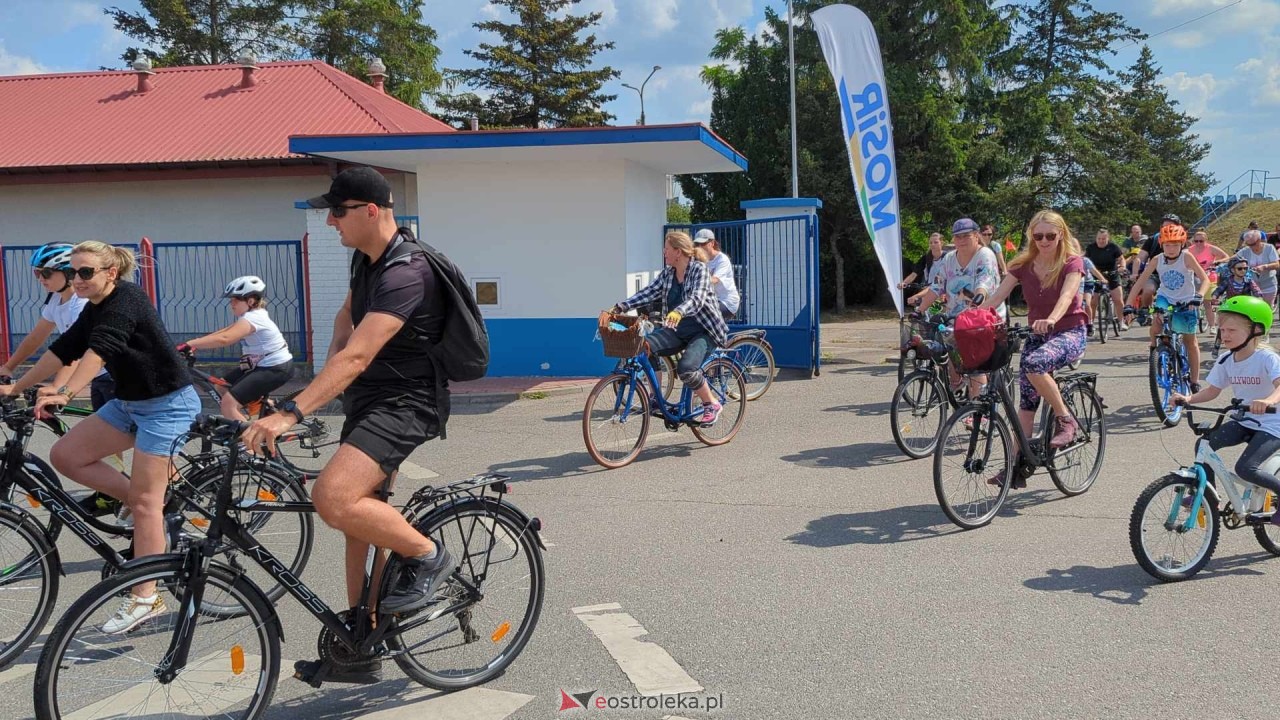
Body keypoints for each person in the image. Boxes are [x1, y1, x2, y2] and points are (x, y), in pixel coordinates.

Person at [241, 167, 455, 682]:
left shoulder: (407, 271)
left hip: (409, 402)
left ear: (371, 211)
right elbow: (346, 325)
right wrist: (321, 385)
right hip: (371, 400)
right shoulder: (367, 260)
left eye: (338, 211)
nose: (332, 221)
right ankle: (361, 640)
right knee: (360, 520)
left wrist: (293, 411)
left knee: (334, 498)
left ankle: (428, 555)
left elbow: (360, 354)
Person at [0, 241, 201, 634]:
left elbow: (98, 352)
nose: (77, 279)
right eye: (74, 273)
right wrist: (17, 386)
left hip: (167, 406)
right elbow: (63, 349)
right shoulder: (93, 307)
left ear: (111, 272)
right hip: (129, 403)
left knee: (145, 503)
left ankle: (146, 597)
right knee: (66, 455)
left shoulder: (127, 300)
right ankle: (146, 510)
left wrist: (66, 392)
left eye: (86, 272)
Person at [980, 210, 1089, 487]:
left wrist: (1052, 318)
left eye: (1050, 235)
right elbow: (996, 297)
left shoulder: (1072, 262)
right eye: (1038, 236)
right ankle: (1016, 466)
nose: (1044, 241)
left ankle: (1067, 421)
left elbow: (1067, 295)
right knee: (1026, 403)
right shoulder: (1023, 264)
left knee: (1035, 364)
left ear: (1060, 234)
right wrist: (969, 318)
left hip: (1069, 331)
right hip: (1038, 335)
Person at [1170, 296, 1280, 528]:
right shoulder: (1226, 359)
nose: (1225, 335)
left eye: (1231, 329)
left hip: (1273, 423)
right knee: (1204, 445)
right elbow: (1212, 391)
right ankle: (1209, 497)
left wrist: (1267, 400)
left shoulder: (1266, 358)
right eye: (1222, 329)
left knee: (1246, 468)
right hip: (1246, 419)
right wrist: (1188, 399)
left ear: (1256, 330)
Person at [606, 230, 730, 425]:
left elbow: (697, 298)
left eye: (666, 249)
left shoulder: (699, 270)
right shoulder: (668, 274)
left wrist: (679, 311)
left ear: (678, 252)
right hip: (679, 329)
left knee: (686, 369)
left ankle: (711, 403)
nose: (664, 253)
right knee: (643, 346)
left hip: (704, 331)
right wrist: (622, 306)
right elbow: (649, 292)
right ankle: (655, 398)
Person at [177, 275, 294, 421]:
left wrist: (191, 344)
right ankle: (258, 411)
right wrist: (192, 343)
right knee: (221, 386)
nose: (231, 303)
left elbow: (225, 339)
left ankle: (247, 441)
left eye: (236, 299)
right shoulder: (250, 316)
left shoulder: (254, 318)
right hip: (261, 365)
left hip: (274, 367)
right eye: (231, 299)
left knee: (228, 404)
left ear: (250, 301)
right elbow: (225, 331)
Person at [909, 218, 1003, 397]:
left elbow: (985, 281)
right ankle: (958, 384)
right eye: (957, 236)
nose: (961, 240)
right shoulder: (949, 258)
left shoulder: (985, 255)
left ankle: (978, 410)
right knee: (952, 354)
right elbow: (937, 286)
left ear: (976, 236)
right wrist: (919, 310)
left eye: (966, 236)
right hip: (956, 317)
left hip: (983, 316)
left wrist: (978, 298)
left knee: (974, 361)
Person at [1125, 222, 1211, 389]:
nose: (1171, 248)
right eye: (1167, 245)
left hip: (1187, 300)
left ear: (1182, 244)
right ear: (1161, 244)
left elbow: (1205, 279)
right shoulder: (1157, 260)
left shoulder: (1186, 257)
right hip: (1165, 297)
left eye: (1175, 244)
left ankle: (1194, 381)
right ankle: (1154, 349)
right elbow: (1139, 283)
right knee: (1157, 325)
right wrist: (1128, 305)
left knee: (1190, 341)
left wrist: (1198, 296)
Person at [1082, 228, 1129, 332]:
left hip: (1112, 274)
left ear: (1108, 238)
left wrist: (1122, 267)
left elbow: (1121, 259)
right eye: (1099, 238)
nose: (1101, 241)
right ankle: (1091, 324)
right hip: (1096, 275)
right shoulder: (1091, 248)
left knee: (1118, 300)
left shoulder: (1113, 247)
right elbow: (1084, 260)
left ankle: (1121, 322)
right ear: (1096, 238)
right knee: (1093, 302)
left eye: (1103, 239)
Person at [692, 229, 741, 320]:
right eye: (697, 244)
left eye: (703, 244)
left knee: (702, 317)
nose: (700, 247)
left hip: (727, 302)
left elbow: (714, 280)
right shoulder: (697, 260)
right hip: (710, 300)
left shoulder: (722, 259)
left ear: (712, 243)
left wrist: (696, 282)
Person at [1188, 229, 1229, 330]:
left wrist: (1217, 262)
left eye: (1201, 241)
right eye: (1196, 241)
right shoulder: (1189, 250)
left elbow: (1226, 257)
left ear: (1205, 241)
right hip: (1194, 277)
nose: (1198, 243)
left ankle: (1212, 326)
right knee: (1190, 301)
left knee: (1208, 303)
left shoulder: (1211, 249)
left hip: (1210, 277)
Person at [1234, 229, 1279, 311]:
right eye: (1248, 244)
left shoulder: (1269, 248)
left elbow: (1277, 264)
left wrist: (1265, 266)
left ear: (1259, 240)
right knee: (1255, 310)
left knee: (1267, 309)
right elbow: (1232, 258)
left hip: (1269, 283)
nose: (1251, 246)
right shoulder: (1245, 250)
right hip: (1253, 284)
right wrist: (1219, 261)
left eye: (1253, 244)